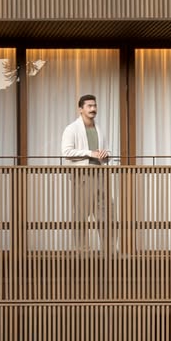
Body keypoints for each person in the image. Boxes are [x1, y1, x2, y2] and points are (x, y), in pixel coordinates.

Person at [61, 95, 111, 252]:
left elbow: (105, 150)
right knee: (82, 215)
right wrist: (90, 153)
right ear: (80, 109)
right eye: (89, 106)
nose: (93, 109)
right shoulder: (72, 128)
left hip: (101, 175)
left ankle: (108, 250)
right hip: (83, 176)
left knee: (107, 214)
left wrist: (105, 154)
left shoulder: (99, 128)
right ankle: (82, 250)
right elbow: (66, 152)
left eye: (94, 105)